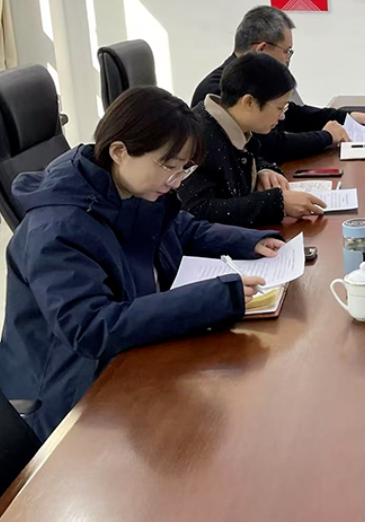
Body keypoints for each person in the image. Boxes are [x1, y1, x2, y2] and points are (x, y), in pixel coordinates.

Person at [0, 88, 285, 439]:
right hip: (74, 395)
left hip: (131, 355)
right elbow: (91, 328)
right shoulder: (56, 230)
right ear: (120, 151)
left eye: (184, 168)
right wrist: (214, 298)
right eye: (169, 165)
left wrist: (249, 241)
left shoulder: (127, 187)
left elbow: (180, 228)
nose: (176, 180)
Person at [191, 6, 365, 163]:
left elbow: (291, 113)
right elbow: (269, 147)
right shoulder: (221, 90)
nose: (288, 59)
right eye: (287, 51)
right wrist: (326, 137)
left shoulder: (256, 78)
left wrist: (346, 118)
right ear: (261, 49)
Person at [180, 52, 328, 227]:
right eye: (279, 108)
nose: (282, 117)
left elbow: (245, 158)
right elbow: (197, 211)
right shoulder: (198, 138)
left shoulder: (233, 123)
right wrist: (277, 204)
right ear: (249, 102)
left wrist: (261, 170)